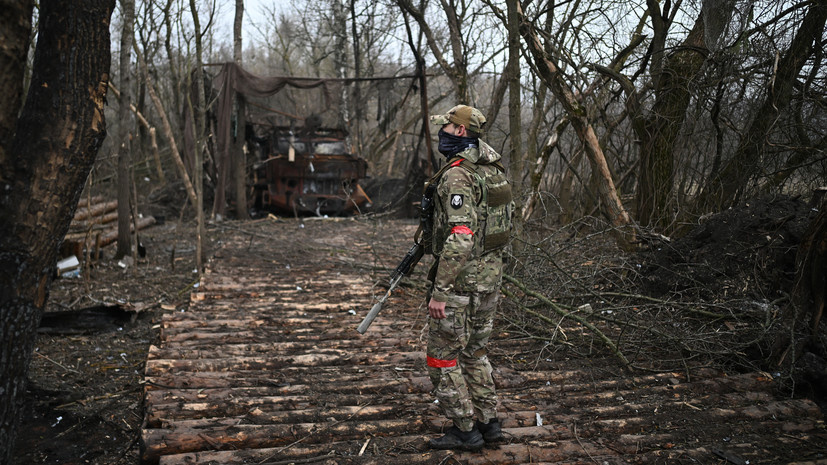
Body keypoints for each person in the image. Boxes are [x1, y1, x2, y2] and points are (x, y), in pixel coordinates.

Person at [419, 104, 513, 452]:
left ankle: (464, 429)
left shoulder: (459, 175)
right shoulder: (492, 168)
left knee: (442, 357)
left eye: (445, 127)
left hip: (461, 284)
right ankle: (489, 424)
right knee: (475, 352)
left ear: (460, 131)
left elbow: (461, 234)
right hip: (489, 279)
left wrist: (440, 291)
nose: (440, 132)